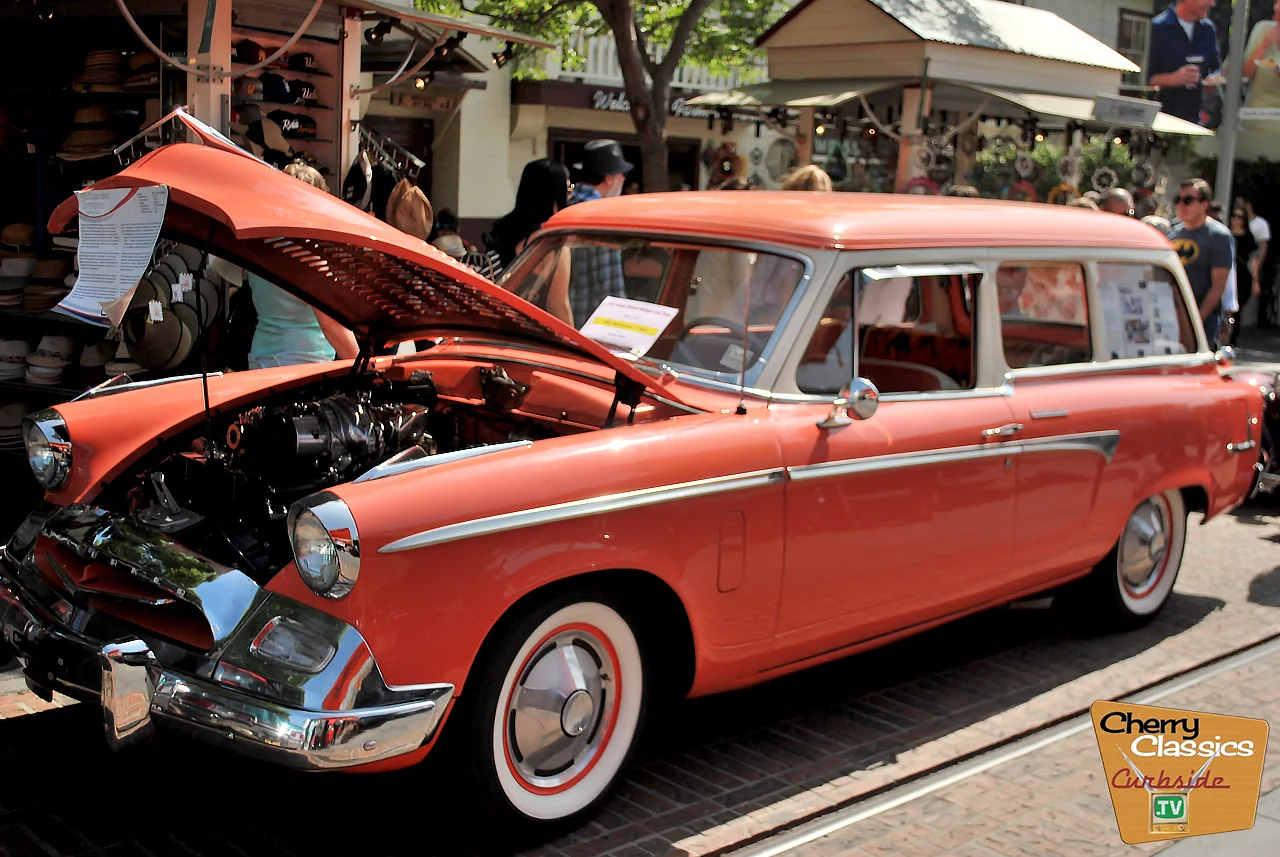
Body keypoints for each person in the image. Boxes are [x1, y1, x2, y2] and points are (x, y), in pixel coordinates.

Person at [239, 163, 358, 369]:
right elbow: (330, 325)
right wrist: (365, 368)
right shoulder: (308, 254)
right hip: (302, 362)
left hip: (261, 355)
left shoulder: (262, 245)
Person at [562, 140, 633, 326]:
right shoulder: (602, 216)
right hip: (588, 327)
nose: (624, 179)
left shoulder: (565, 206)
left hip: (559, 321)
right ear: (609, 178)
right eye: (621, 174)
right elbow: (610, 288)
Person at [1168, 179, 1233, 346]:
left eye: (1188, 200)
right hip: (1170, 317)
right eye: (1178, 200)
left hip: (1202, 320)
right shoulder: (1172, 233)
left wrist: (1195, 322)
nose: (1181, 205)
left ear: (1204, 205)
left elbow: (1218, 286)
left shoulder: (1218, 236)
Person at [483, 158, 571, 271]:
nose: (569, 196)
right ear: (555, 194)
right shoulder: (549, 240)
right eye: (568, 189)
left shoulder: (502, 228)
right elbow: (559, 289)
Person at [1147, 0, 1223, 125]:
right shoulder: (1157, 29)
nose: (1212, 4)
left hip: (1196, 122)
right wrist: (1173, 79)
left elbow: (1215, 68)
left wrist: (1213, 80)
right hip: (1161, 122)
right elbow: (1142, 78)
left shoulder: (1208, 30)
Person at [1228, 205, 1262, 346]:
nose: (1236, 219)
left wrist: (1255, 280)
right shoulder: (1225, 234)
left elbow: (1253, 260)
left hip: (1242, 277)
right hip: (1227, 274)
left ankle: (1232, 339)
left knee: (1237, 309)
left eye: (1240, 217)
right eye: (1234, 216)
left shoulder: (1249, 238)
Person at [1243, 1, 1280, 110]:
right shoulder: (1262, 29)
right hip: (1254, 116)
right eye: (1277, 3)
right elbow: (1243, 74)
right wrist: (1264, 45)